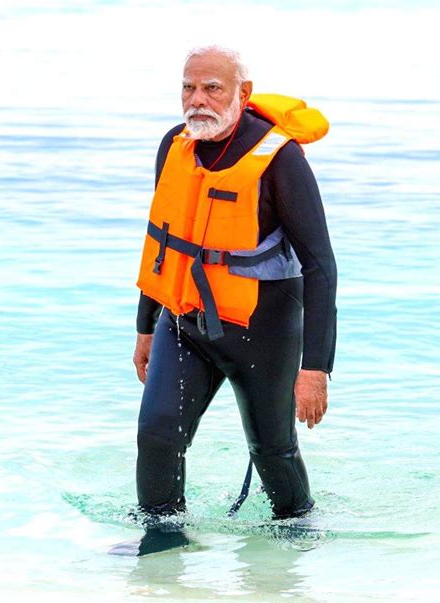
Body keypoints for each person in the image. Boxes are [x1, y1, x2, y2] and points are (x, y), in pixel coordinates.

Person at [133, 45, 337, 524]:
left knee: (273, 451)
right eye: (188, 87)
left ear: (243, 94)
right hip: (185, 320)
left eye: (211, 88)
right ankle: (161, 544)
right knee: (157, 435)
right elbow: (166, 240)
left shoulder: (280, 159)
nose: (197, 99)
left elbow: (321, 266)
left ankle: (294, 547)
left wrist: (316, 368)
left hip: (262, 330)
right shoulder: (173, 146)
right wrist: (145, 325)